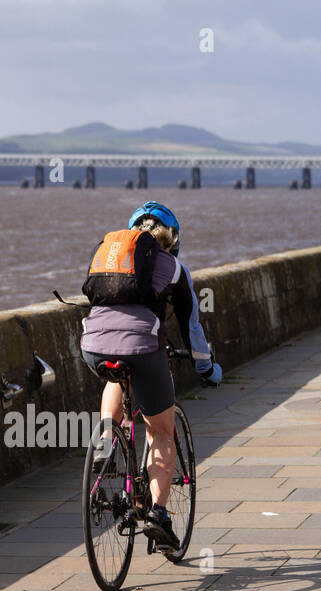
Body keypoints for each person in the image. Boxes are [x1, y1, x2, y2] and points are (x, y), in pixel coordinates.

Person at [79, 201, 222, 554]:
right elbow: (192, 329)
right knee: (160, 431)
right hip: (143, 347)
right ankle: (158, 514)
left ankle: (106, 436)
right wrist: (207, 369)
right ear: (171, 239)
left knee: (116, 374)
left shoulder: (112, 259)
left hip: (92, 345)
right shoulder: (174, 267)